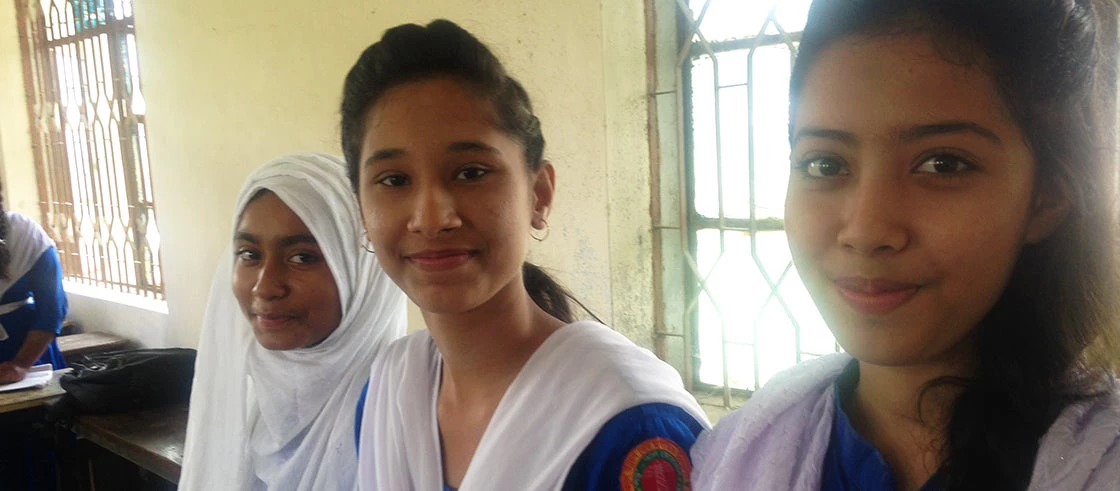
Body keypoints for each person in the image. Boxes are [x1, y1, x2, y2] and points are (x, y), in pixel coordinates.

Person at [690, 0, 1120, 489]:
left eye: (943, 164)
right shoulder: (740, 451)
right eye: (825, 165)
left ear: (1045, 199)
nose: (867, 231)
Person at [342, 20, 710, 491]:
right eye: (393, 180)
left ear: (538, 193)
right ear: (361, 211)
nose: (431, 218)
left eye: (471, 172)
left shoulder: (630, 427)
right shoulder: (387, 397)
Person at [179, 152, 407, 490]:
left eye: (302, 257)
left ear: (364, 272)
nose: (265, 286)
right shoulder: (254, 397)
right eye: (249, 255)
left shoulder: (404, 414)